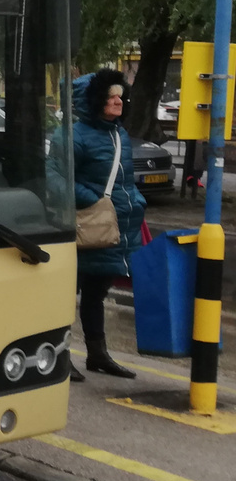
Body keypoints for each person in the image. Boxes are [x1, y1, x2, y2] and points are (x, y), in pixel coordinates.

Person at [69, 69, 142, 380]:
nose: (118, 99)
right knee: (63, 295)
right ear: (93, 100)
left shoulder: (118, 133)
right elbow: (58, 180)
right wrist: (94, 200)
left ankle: (97, 354)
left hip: (111, 229)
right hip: (85, 227)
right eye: (110, 95)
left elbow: (124, 180)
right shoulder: (73, 135)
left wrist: (136, 201)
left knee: (96, 293)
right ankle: (59, 356)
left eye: (119, 94)